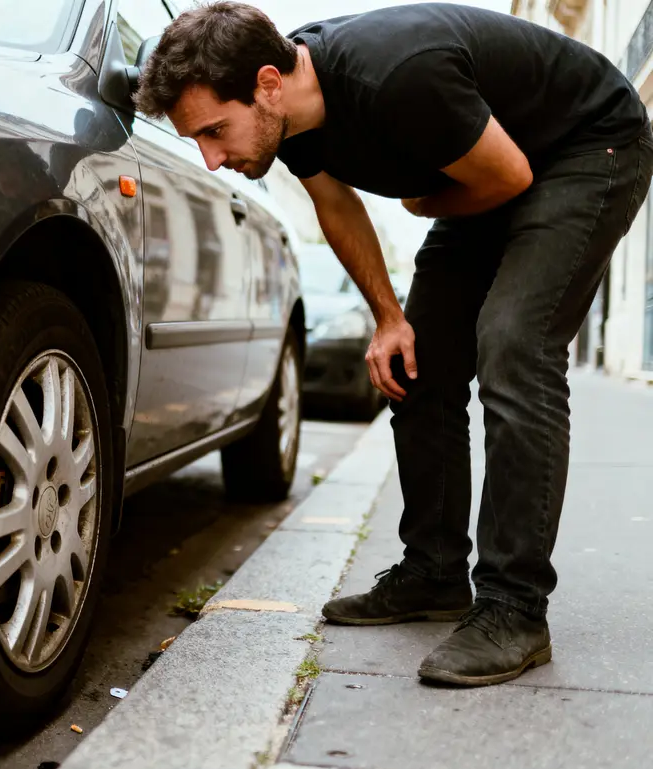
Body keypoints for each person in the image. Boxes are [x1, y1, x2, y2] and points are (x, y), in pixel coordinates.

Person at [134, 1, 653, 687]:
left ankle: (514, 609)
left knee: (514, 344)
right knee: (419, 358)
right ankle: (435, 572)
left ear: (265, 84)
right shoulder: (289, 119)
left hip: (587, 148)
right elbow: (336, 204)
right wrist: (388, 318)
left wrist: (421, 204)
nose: (210, 157)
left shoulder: (400, 77)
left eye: (214, 131)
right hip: (491, 173)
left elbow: (509, 179)